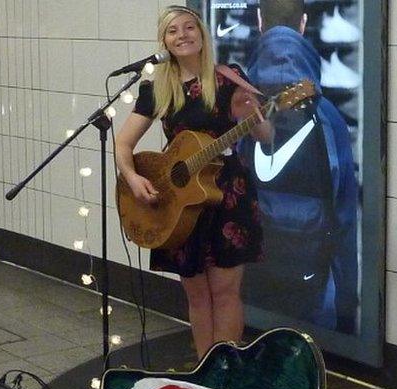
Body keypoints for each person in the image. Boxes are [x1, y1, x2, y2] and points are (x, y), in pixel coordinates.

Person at [115, 5, 270, 359]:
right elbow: (123, 144)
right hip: (181, 200)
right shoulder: (157, 88)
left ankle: (227, 374)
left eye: (189, 28)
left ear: (201, 34)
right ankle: (205, 372)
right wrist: (134, 178)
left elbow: (265, 133)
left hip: (229, 194)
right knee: (198, 295)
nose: (182, 35)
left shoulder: (229, 78)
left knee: (226, 292)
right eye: (173, 31)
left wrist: (254, 115)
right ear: (164, 41)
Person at [243, 0, 360, 334]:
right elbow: (345, 221)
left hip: (248, 276)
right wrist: (346, 308)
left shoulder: (241, 106)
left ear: (259, 21)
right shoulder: (330, 120)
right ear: (304, 23)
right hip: (310, 287)